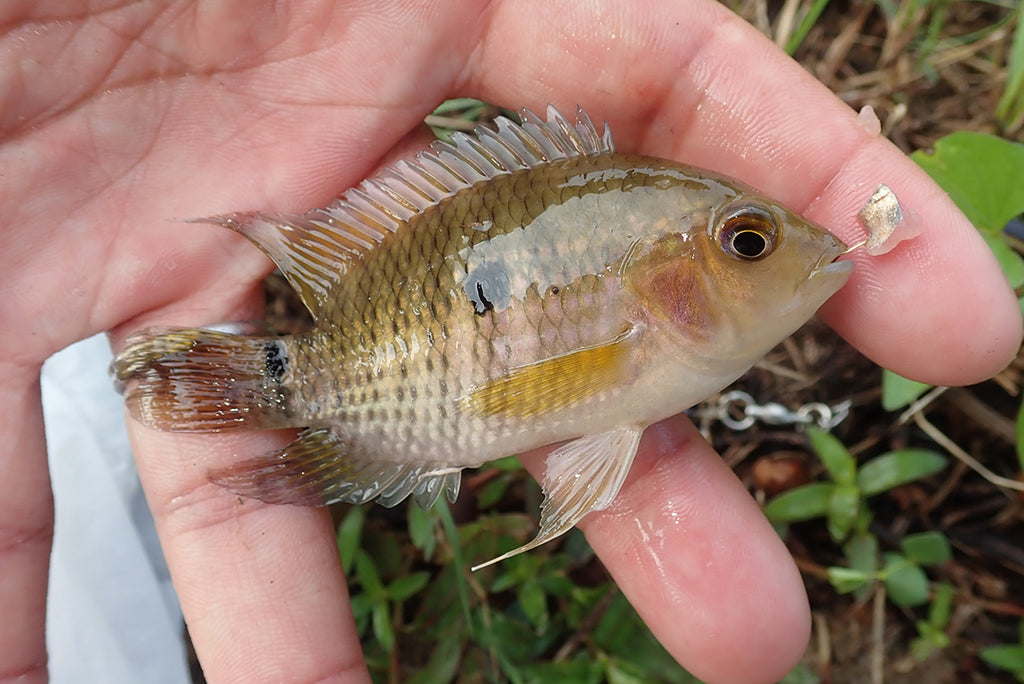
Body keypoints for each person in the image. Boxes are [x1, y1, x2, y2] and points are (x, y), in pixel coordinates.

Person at [1, 1, 1019, 682]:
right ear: (665, 272)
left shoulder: (666, 318)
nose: (782, 252)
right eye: (746, 244)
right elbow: (562, 405)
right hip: (379, 367)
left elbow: (580, 420)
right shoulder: (641, 295)